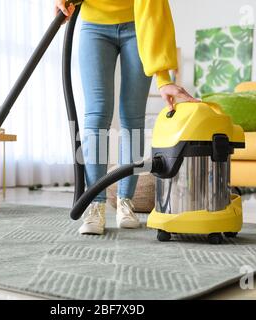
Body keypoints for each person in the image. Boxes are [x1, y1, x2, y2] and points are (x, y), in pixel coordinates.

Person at [55, 0, 198, 235]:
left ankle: (125, 202)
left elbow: (155, 13)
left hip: (137, 25)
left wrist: (163, 79)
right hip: (94, 25)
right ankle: (95, 203)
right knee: (97, 113)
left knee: (132, 116)